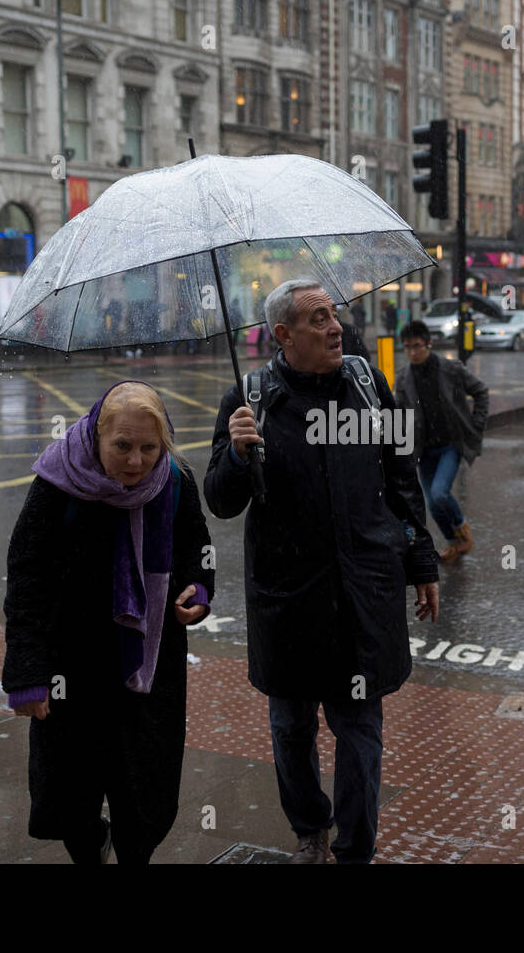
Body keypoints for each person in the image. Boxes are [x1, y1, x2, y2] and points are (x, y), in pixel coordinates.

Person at [204, 278, 440, 864]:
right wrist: (235, 456)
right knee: (291, 728)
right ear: (283, 335)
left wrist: (421, 560)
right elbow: (221, 500)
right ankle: (309, 825)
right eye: (317, 319)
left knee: (360, 735)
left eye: (333, 315)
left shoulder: (367, 384)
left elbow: (401, 473)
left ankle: (355, 848)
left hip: (363, 593)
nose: (335, 327)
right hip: (288, 601)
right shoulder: (249, 398)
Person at [1, 381, 215, 864]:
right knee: (71, 792)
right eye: (122, 445)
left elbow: (198, 549)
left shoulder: (175, 479)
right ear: (97, 436)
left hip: (148, 664)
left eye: (148, 447)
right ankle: (88, 848)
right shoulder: (57, 484)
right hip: (70, 665)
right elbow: (27, 577)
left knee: (144, 790)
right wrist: (26, 672)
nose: (136, 461)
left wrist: (197, 589)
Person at [396, 319, 490, 564]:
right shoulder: (404, 377)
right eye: (407, 347)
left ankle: (461, 528)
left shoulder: (450, 369)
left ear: (429, 343)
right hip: (422, 449)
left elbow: (480, 391)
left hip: (449, 445)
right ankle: (453, 542)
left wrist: (477, 424)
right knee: (433, 504)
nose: (412, 352)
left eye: (417, 346)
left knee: (439, 494)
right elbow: (399, 413)